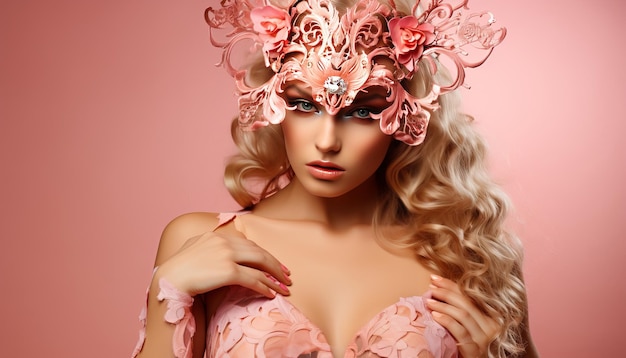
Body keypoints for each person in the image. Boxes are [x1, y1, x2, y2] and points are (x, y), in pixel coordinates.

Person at [132, 0, 539, 357]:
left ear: (407, 115)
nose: (327, 142)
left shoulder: (466, 256)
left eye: (362, 111)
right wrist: (166, 293)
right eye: (305, 104)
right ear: (275, 102)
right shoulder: (201, 241)